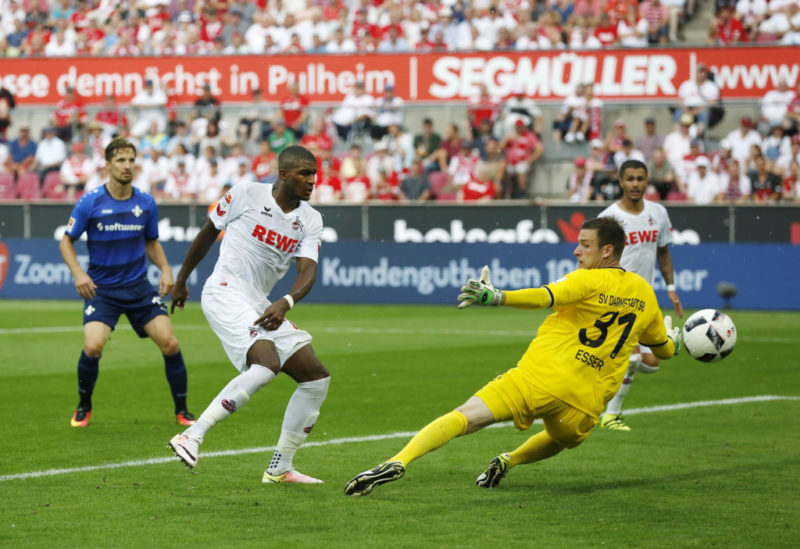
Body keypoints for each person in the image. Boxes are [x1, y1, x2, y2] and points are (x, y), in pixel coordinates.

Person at [344, 216, 680, 496]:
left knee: (466, 416)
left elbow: (543, 296)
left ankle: (400, 460)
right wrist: (676, 342)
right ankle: (509, 460)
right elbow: (663, 350)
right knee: (559, 439)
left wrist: (497, 297)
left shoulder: (588, 280)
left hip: (538, 379)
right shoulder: (645, 295)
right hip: (583, 404)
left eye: (585, 245)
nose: (577, 250)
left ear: (608, 250)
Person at [168, 144, 330, 484]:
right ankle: (191, 436)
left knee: (315, 377)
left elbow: (307, 273)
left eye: (314, 174)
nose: (312, 180)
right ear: (283, 174)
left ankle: (280, 467)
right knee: (267, 363)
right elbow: (208, 233)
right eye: (304, 173)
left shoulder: (310, 219)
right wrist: (182, 280)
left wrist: (285, 301)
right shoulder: (245, 193)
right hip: (225, 290)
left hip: (261, 301)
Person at [59, 137, 195, 428]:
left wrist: (166, 269)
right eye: (121, 160)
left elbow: (152, 242)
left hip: (139, 289)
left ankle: (182, 410)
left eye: (131, 160)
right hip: (102, 291)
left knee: (170, 343)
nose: (127, 166)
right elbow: (66, 241)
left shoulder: (145, 203)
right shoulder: (90, 202)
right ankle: (84, 405)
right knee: (93, 346)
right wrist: (78, 274)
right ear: (107, 165)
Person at [596, 159, 684, 431]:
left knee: (652, 363)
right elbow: (594, 257)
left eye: (640, 178)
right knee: (632, 358)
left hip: (643, 298)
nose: (635, 184)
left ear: (647, 181)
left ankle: (602, 371)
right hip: (616, 297)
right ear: (620, 182)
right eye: (630, 179)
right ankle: (610, 415)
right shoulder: (609, 217)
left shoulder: (658, 213)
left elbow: (663, 252)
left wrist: (671, 288)